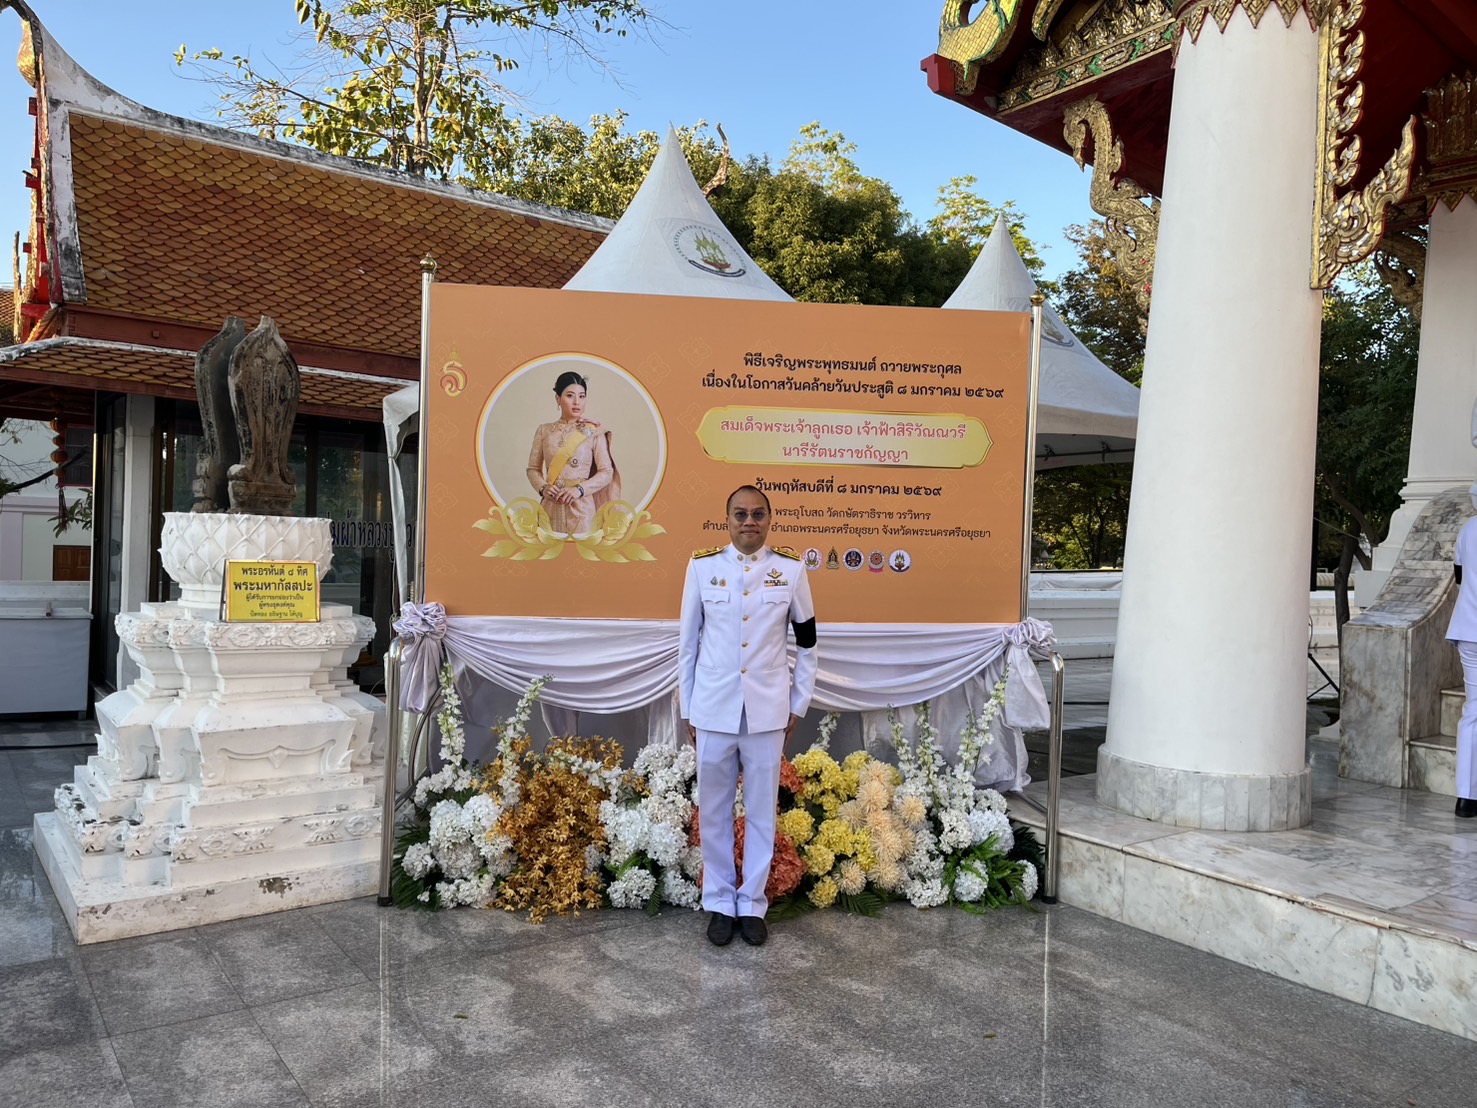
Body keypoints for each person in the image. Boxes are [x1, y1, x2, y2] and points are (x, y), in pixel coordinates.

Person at [678, 485, 818, 947]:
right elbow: (687, 646)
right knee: (714, 811)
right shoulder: (702, 568)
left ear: (769, 519)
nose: (749, 521)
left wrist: (796, 704)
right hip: (714, 709)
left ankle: (752, 903)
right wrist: (688, 708)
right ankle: (719, 902)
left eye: (757, 514)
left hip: (767, 711)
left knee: (761, 810)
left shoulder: (791, 571)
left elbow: (809, 646)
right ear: (728, 519)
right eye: (740, 514)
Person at [525, 370, 621, 535]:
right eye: (570, 396)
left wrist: (579, 489)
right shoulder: (544, 431)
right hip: (550, 507)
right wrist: (543, 488)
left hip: (582, 509)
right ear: (558, 399)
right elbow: (533, 469)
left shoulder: (593, 432)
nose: (577, 402)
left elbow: (606, 472)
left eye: (582, 396)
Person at [1447, 505, 1477, 818]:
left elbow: (1459, 576)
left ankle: (1466, 798)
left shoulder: (1468, 528)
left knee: (1473, 711)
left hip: (1469, 629)